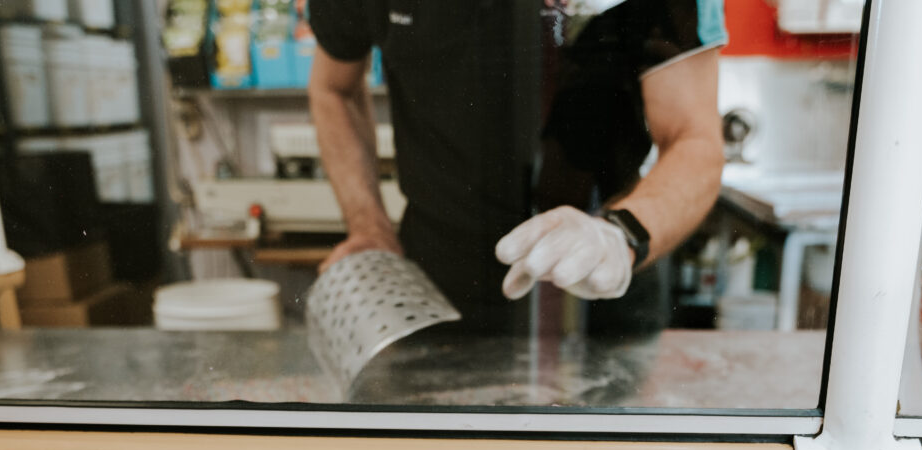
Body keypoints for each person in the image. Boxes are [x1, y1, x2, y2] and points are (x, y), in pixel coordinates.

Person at [308, 0, 727, 337]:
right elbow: (333, 88)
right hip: (432, 293)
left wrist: (621, 235)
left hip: (600, 292)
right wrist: (368, 225)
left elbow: (694, 138)